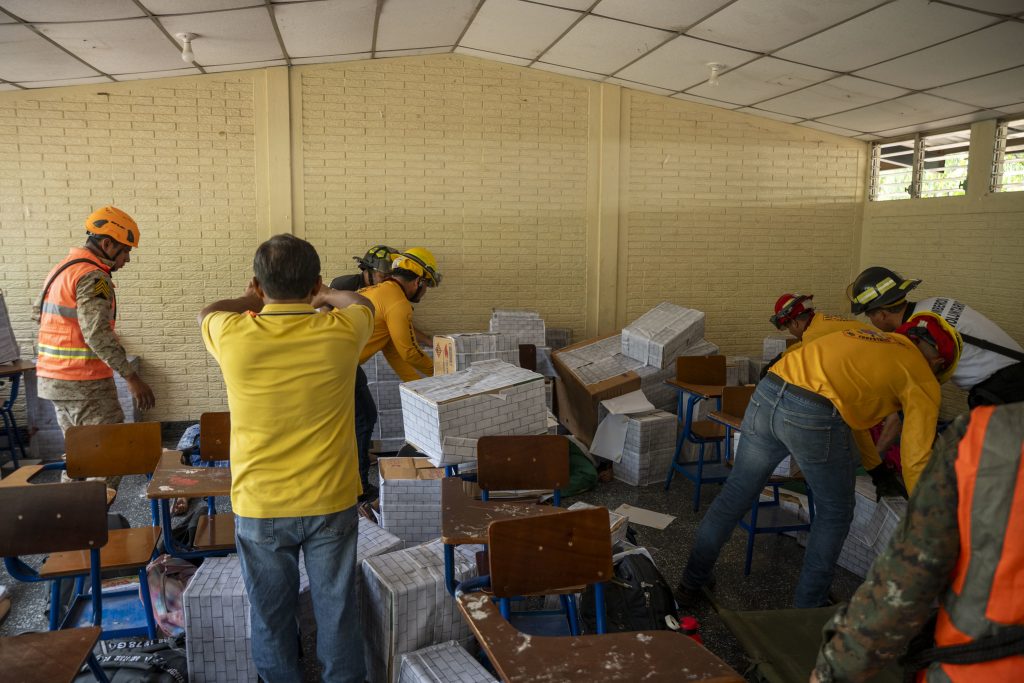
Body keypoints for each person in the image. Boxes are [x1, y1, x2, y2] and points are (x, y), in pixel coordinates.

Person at [678, 324, 954, 609]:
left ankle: (691, 582)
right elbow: (916, 458)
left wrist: (876, 468)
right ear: (938, 363)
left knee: (736, 493)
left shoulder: (866, 336)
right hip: (813, 413)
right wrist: (929, 515)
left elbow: (849, 413)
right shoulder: (923, 376)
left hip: (768, 392)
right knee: (834, 512)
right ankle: (808, 608)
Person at [199, 234, 373, 683]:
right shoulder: (341, 332)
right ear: (315, 282)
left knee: (270, 617)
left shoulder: (233, 334)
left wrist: (248, 296)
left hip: (261, 504)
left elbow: (209, 311)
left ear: (258, 285)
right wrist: (326, 295)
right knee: (337, 613)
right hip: (329, 500)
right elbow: (360, 301)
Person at [811, 402, 1024, 683]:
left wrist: (832, 669)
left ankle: (808, 603)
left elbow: (906, 583)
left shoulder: (991, 434)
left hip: (983, 668)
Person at [33, 206, 155, 495]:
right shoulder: (93, 277)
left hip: (54, 380)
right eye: (125, 251)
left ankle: (69, 522)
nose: (127, 259)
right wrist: (131, 377)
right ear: (107, 244)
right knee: (108, 455)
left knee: (79, 456)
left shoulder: (62, 269)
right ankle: (94, 525)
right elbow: (96, 333)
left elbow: (41, 317)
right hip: (83, 383)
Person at [769, 293, 904, 498]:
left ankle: (884, 471)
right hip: (883, 361)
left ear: (795, 322)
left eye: (788, 327)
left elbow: (808, 355)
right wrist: (780, 357)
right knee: (860, 418)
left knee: (886, 419)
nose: (790, 332)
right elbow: (805, 347)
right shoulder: (822, 323)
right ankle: (878, 468)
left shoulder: (814, 335)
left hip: (887, 369)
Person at [847, 266, 1024, 407]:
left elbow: (918, 388)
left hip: (1002, 390)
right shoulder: (935, 303)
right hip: (1017, 368)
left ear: (881, 315)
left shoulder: (914, 333)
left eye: (869, 316)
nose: (871, 322)